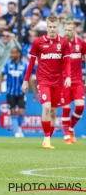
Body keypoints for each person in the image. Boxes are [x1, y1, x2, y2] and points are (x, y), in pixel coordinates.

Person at [22, 16, 71, 149]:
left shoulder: (63, 42)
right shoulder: (38, 42)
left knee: (54, 111)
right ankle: (46, 139)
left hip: (58, 81)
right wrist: (25, 80)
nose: (52, 29)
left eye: (55, 27)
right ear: (47, 27)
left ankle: (49, 138)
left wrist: (68, 76)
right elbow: (31, 62)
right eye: (50, 27)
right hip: (43, 80)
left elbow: (67, 61)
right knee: (47, 107)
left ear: (58, 26)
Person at [0, 47, 36, 138]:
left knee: (21, 112)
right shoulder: (7, 64)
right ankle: (16, 131)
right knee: (13, 112)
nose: (12, 55)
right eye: (11, 53)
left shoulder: (25, 64)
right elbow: (1, 75)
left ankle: (18, 128)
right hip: (10, 92)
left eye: (14, 53)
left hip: (21, 92)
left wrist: (34, 91)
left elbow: (29, 79)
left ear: (19, 54)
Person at [61, 21, 86, 145]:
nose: (67, 32)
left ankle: (71, 128)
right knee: (66, 108)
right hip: (64, 81)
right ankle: (66, 135)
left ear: (74, 30)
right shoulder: (60, 44)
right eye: (65, 29)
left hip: (77, 81)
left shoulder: (81, 43)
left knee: (80, 107)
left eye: (70, 30)